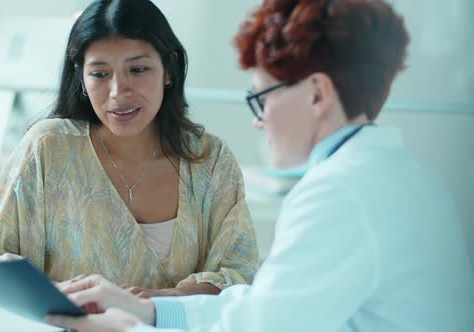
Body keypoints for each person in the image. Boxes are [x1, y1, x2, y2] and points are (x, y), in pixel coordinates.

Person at [44, 0, 474, 331]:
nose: (258, 119)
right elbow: (263, 310)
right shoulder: (403, 175)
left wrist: (128, 326)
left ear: (317, 94)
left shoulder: (340, 192)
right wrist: (151, 310)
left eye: (262, 97)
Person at [0, 0, 259, 298]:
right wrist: (64, 295)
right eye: (100, 74)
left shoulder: (210, 158)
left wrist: (152, 303)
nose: (119, 91)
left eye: (138, 69)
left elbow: (239, 277)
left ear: (168, 69)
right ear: (80, 76)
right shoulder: (47, 148)